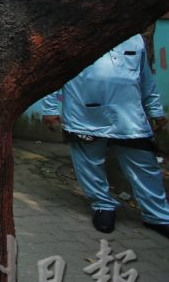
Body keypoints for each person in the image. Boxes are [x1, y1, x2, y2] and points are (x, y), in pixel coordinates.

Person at [41, 34, 169, 239]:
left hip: (130, 119)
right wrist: (49, 108)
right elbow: (54, 74)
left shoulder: (134, 38)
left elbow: (145, 78)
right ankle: (103, 206)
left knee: (146, 167)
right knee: (89, 165)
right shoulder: (74, 34)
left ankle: (158, 216)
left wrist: (155, 110)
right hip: (84, 115)